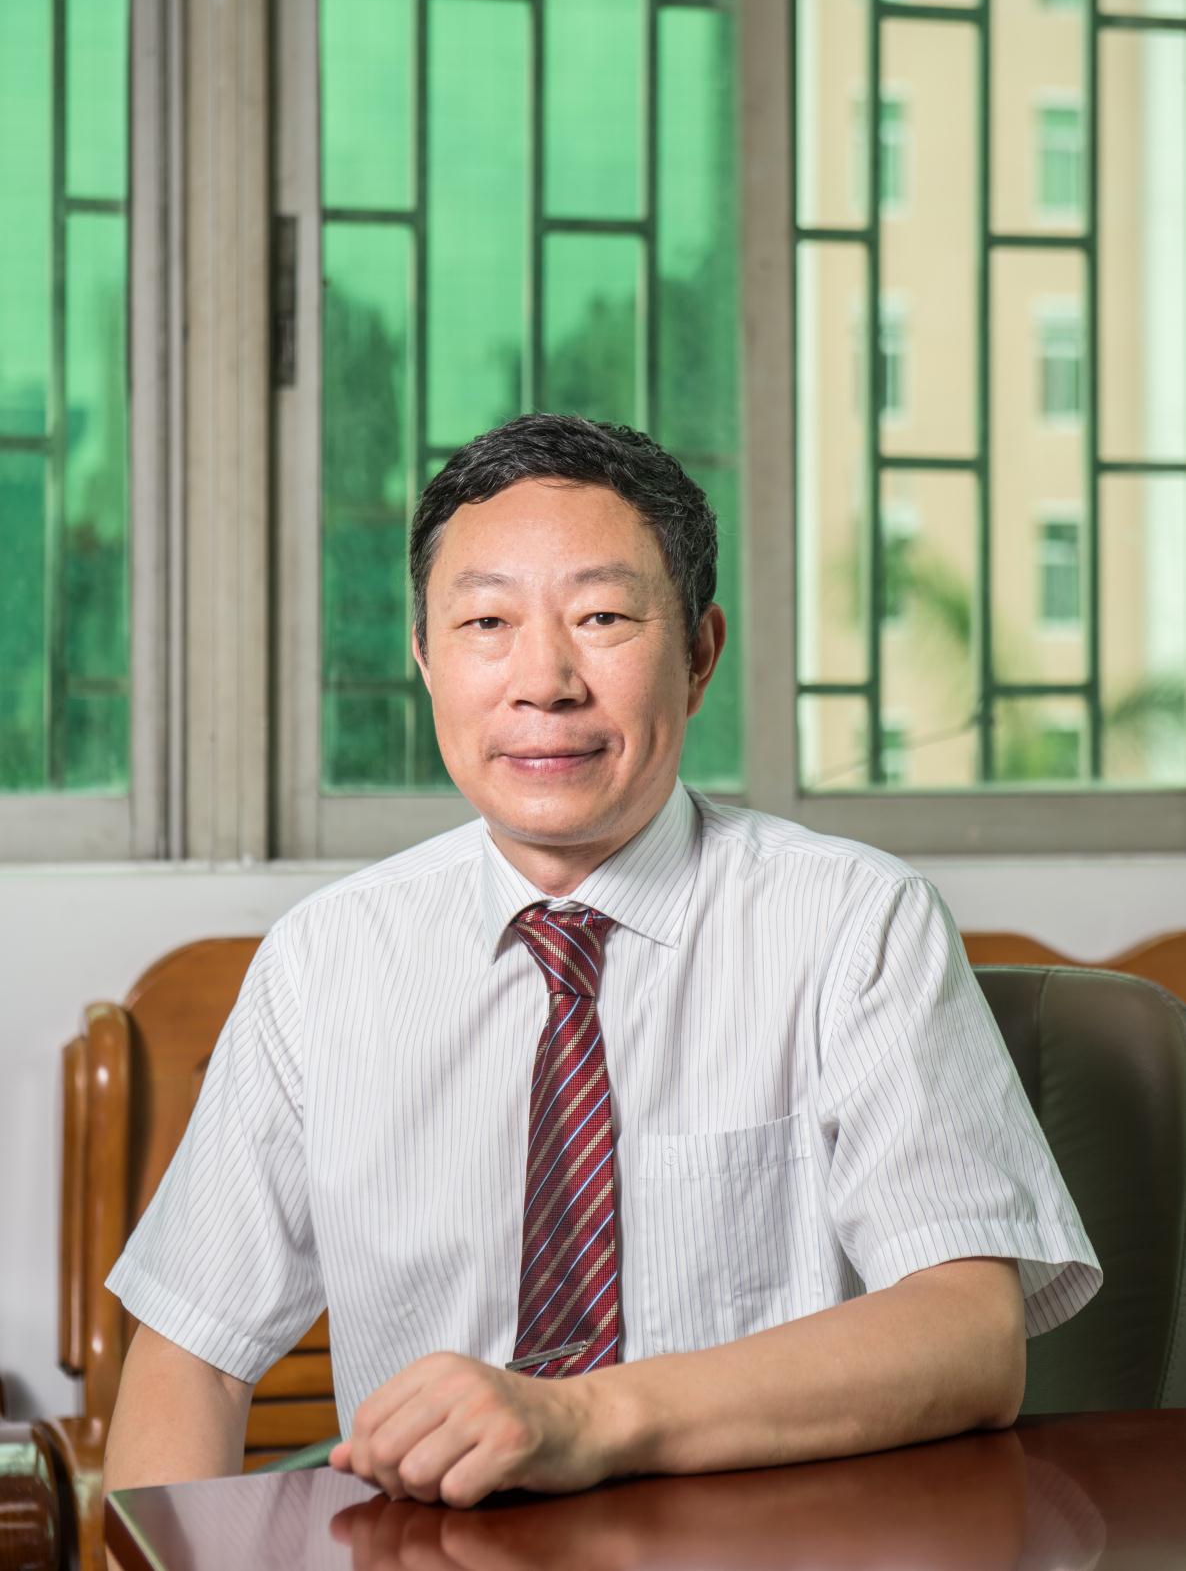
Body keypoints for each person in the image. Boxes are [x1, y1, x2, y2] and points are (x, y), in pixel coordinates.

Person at [103, 413, 1101, 1509]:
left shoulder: (853, 923)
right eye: (486, 621)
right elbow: (191, 1354)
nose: (545, 680)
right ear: (425, 659)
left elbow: (968, 1333)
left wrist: (584, 1417)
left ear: (700, 654)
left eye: (604, 617)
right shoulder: (324, 961)